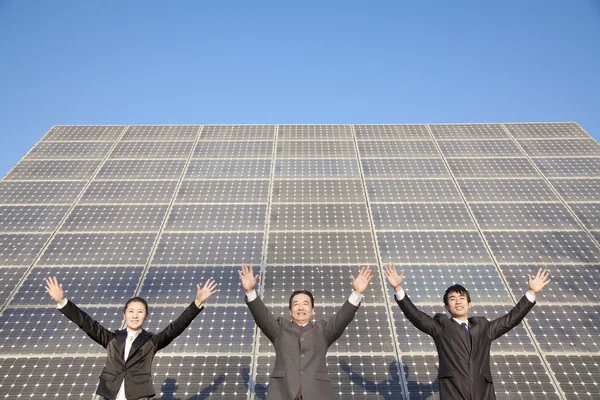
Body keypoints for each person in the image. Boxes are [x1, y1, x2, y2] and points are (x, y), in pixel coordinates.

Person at [384, 264, 551, 400]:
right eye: (452, 299)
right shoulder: (441, 327)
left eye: (461, 298)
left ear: (469, 304)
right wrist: (398, 289)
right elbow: (417, 317)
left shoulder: (484, 327)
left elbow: (510, 320)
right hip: (454, 394)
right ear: (446, 307)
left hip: (483, 394)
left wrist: (531, 293)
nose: (458, 302)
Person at [45, 276, 217, 400]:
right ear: (124, 314)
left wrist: (196, 303)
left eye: (140, 312)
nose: (135, 315)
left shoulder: (151, 342)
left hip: (138, 395)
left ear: (146, 316)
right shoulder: (112, 339)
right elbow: (86, 323)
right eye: (131, 311)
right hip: (110, 394)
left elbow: (175, 327)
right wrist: (63, 302)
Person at [238, 264, 372, 400]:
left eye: (306, 304)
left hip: (317, 393)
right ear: (290, 311)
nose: (301, 308)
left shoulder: (323, 330)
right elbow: (263, 316)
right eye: (296, 304)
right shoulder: (279, 329)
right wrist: (250, 292)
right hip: (283, 393)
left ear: (313, 310)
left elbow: (342, 318)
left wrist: (357, 293)